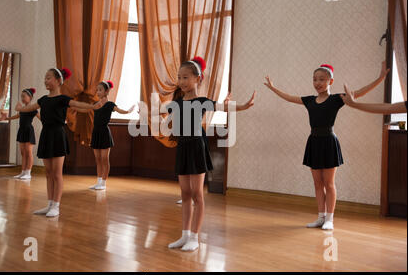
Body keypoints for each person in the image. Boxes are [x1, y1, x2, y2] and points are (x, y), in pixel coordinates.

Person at [264, 61, 389, 230]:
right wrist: (273, 88)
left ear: (330, 81)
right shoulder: (309, 100)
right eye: (315, 79)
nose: (317, 83)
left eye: (322, 79)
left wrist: (380, 78)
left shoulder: (337, 99)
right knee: (317, 183)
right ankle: (320, 218)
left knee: (329, 183)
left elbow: (359, 93)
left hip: (329, 142)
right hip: (313, 142)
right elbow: (289, 97)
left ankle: (330, 219)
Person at [166, 57, 256, 251]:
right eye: (179, 77)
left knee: (197, 193)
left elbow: (225, 107)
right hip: (183, 147)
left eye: (186, 77)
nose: (181, 81)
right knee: (185, 192)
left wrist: (244, 106)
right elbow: (172, 122)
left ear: (199, 78)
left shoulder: (202, 101)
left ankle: (195, 238)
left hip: (197, 146)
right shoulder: (178, 101)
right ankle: (184, 235)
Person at [15, 68, 107, 217]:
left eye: (49, 78)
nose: (45, 80)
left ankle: (56, 206)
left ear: (58, 81)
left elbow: (77, 105)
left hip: (57, 136)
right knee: (48, 173)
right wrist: (20, 109)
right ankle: (49, 204)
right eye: (45, 78)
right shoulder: (43, 100)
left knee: (57, 173)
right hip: (46, 135)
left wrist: (92, 106)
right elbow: (29, 109)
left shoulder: (63, 99)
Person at [71, 80, 135, 190]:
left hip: (104, 133)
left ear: (106, 91)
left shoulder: (110, 104)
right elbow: (86, 109)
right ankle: (99, 182)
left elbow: (120, 111)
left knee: (104, 159)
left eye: (100, 90)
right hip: (96, 133)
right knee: (98, 159)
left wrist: (128, 111)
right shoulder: (96, 104)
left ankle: (104, 183)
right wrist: (75, 107)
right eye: (97, 90)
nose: (98, 92)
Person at [6, 88, 40, 180]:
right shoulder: (22, 109)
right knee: (23, 152)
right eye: (21, 96)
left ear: (30, 97)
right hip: (21, 130)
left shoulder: (32, 108)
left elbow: (41, 117)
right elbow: (18, 116)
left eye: (24, 96)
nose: (22, 98)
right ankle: (23, 172)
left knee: (28, 152)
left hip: (29, 131)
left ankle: (28, 173)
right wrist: (7, 118)